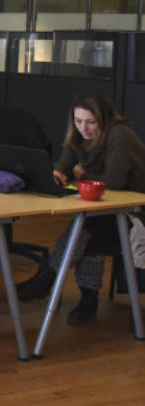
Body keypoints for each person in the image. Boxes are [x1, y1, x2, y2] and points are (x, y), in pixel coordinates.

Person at [16, 91, 145, 324]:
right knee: (90, 229)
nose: (83, 128)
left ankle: (48, 279)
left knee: (88, 226)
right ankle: (84, 298)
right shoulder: (79, 136)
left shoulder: (120, 135)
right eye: (78, 121)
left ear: (104, 119)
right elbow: (65, 165)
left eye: (90, 122)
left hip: (136, 214)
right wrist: (58, 174)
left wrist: (82, 173)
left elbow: (113, 183)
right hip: (109, 212)